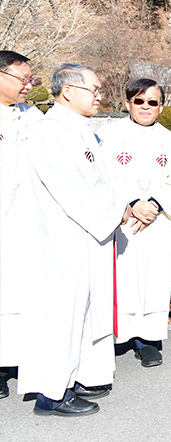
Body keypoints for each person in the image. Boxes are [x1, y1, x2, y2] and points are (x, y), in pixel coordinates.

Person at [18, 64, 138, 416]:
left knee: (78, 312)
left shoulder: (78, 129)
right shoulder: (51, 131)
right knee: (62, 314)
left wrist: (119, 203)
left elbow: (99, 180)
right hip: (64, 238)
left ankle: (69, 379)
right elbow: (76, 187)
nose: (99, 96)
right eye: (94, 90)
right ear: (68, 91)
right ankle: (53, 393)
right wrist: (119, 208)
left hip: (83, 234)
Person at [97, 79, 171, 367]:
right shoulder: (107, 135)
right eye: (139, 101)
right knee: (122, 278)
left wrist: (155, 206)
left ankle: (148, 339)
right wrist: (133, 203)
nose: (145, 106)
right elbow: (102, 176)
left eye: (152, 102)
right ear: (127, 103)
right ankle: (116, 335)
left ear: (161, 106)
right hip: (122, 219)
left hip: (157, 223)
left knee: (153, 278)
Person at [0, 51, 42, 398]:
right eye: (21, 79)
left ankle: (22, 360)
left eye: (30, 79)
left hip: (29, 224)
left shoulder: (34, 118)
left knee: (24, 295)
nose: (28, 85)